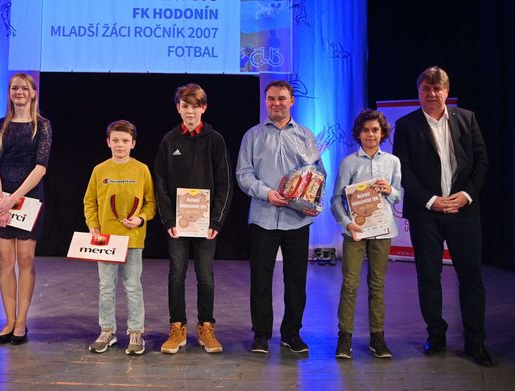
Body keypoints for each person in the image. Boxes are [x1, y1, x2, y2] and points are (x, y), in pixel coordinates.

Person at [393, 66, 492, 367]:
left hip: (464, 211)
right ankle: (435, 335)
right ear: (419, 92)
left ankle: (475, 341)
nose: (432, 94)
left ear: (447, 92)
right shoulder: (406, 125)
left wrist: (467, 195)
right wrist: (431, 200)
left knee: (471, 276)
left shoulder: (467, 119)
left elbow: (482, 161)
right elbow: (403, 169)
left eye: (437, 89)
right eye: (426, 88)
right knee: (428, 276)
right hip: (426, 213)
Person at [236, 80, 324, 354]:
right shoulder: (252, 135)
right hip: (263, 216)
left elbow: (317, 173)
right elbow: (243, 174)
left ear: (292, 101)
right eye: (271, 98)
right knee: (260, 280)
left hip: (297, 219)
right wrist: (267, 193)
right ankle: (261, 334)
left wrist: (312, 200)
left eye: (281, 98)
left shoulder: (306, 136)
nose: (276, 103)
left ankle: (291, 334)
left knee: (296, 280)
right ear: (266, 101)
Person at [154, 84, 233, 354]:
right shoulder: (169, 140)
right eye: (185, 106)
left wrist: (216, 221)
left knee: (205, 276)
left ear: (204, 108)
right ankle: (177, 328)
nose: (190, 112)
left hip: (205, 225)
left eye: (195, 106)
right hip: (177, 224)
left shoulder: (215, 140)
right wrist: (168, 220)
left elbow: (225, 183)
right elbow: (160, 183)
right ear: (178, 108)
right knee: (176, 275)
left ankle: (206, 327)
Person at [330, 109, 402, 359]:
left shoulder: (392, 162)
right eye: (365, 130)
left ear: (382, 133)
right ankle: (345, 336)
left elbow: (398, 196)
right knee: (350, 284)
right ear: (358, 134)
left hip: (382, 230)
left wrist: (390, 190)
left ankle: (377, 337)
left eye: (375, 130)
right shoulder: (348, 162)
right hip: (356, 231)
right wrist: (347, 223)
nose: (370, 135)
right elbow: (336, 200)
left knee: (377, 284)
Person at [0, 73, 52, 345]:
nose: (19, 92)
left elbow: (41, 167)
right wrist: (0, 199)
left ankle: (21, 322)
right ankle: (9, 320)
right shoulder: (0, 125)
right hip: (1, 197)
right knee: (5, 261)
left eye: (24, 88)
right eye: (14, 88)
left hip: (29, 196)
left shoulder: (42, 125)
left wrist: (12, 199)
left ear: (33, 92)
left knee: (26, 260)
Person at [84, 120, 156, 355]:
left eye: (125, 141)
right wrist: (93, 226)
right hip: (106, 240)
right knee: (106, 287)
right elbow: (89, 202)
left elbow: (150, 203)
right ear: (108, 142)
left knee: (133, 286)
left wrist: (140, 219)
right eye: (115, 140)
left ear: (133, 144)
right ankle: (107, 331)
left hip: (132, 239)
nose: (120, 145)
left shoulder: (141, 170)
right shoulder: (100, 170)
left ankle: (135, 332)